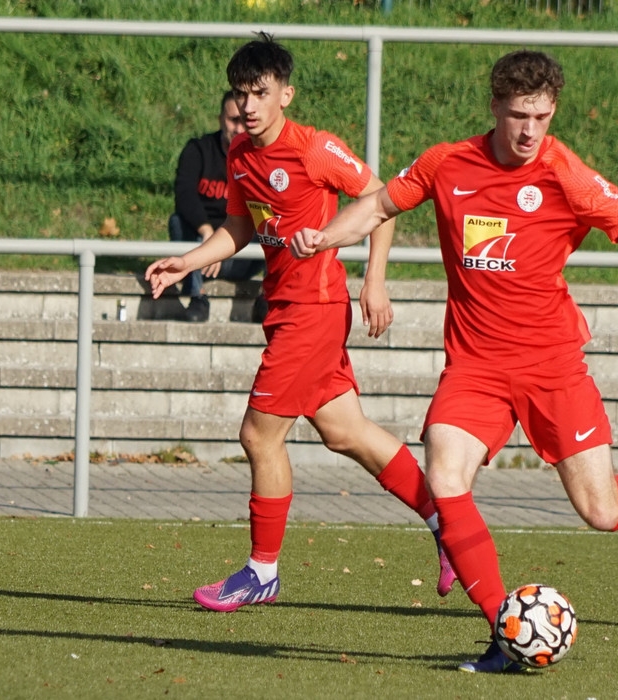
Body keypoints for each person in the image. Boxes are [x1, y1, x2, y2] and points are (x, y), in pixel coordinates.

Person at [291, 49, 618, 672]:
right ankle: (503, 633)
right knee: (445, 476)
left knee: (602, 511)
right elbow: (378, 206)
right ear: (495, 107)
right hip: (475, 368)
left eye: (541, 117)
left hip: (552, 367)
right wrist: (327, 236)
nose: (529, 131)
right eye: (518, 115)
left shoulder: (566, 174)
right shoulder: (447, 163)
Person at [146, 33, 456, 612]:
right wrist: (186, 261)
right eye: (241, 94)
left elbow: (381, 200)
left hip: (314, 311)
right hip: (285, 308)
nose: (249, 105)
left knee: (258, 435)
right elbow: (240, 227)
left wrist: (374, 281)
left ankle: (262, 571)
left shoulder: (314, 149)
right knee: (345, 432)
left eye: (260, 93)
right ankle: (449, 525)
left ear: (285, 94)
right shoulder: (241, 154)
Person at [169, 89, 266, 322]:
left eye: (244, 121)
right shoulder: (198, 150)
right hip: (202, 247)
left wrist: (226, 244)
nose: (239, 128)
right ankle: (197, 296)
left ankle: (267, 298)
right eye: (233, 120)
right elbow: (184, 194)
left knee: (272, 225)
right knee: (178, 222)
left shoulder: (261, 158)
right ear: (221, 119)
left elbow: (265, 208)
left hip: (242, 249)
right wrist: (207, 233)